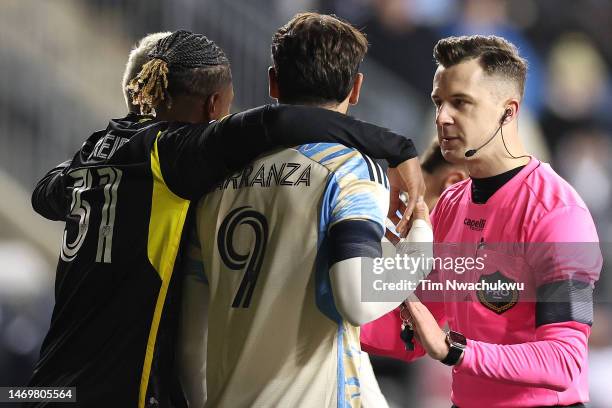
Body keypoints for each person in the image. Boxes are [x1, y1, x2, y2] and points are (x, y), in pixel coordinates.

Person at [29, 30, 424, 407]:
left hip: (47, 385)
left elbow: (43, 196)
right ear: (214, 105)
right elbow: (280, 122)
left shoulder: (95, 152)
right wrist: (399, 148)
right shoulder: (175, 153)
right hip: (117, 390)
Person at [177, 13, 432, 408]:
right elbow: (358, 300)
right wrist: (420, 241)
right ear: (357, 87)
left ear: (273, 81)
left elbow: (190, 343)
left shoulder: (215, 181)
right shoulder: (350, 170)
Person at [361, 35, 602, 408]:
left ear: (508, 111)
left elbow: (565, 361)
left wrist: (456, 351)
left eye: (460, 103)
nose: (442, 117)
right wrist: (333, 314)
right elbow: (411, 330)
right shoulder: (451, 204)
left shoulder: (559, 213)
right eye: (438, 102)